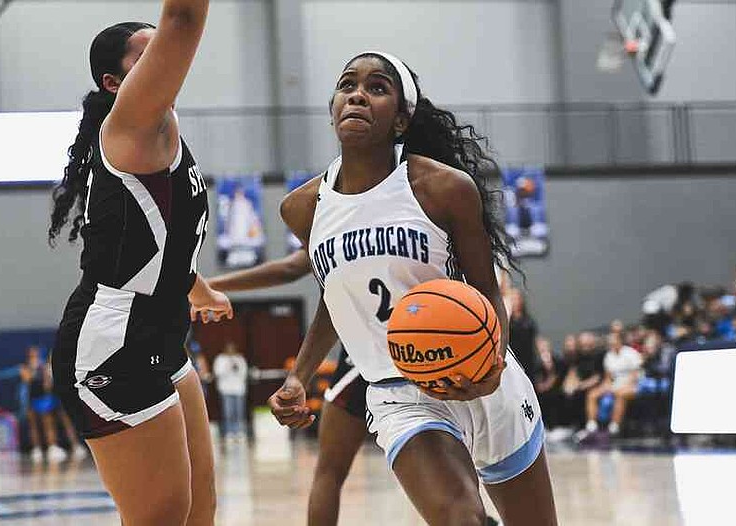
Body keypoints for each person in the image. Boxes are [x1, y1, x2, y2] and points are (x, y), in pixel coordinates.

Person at [265, 51, 557, 525]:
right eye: (347, 85)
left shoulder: (442, 187)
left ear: (401, 119)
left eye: (377, 87)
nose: (357, 94)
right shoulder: (302, 208)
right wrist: (299, 374)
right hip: (399, 393)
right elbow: (335, 298)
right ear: (334, 106)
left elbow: (485, 291)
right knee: (460, 518)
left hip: (482, 380)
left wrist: (494, 361)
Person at [47, 3, 233, 524]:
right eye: (146, 54)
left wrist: (197, 288)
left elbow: (142, 241)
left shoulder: (160, 129)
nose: (164, 58)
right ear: (113, 83)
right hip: (113, 342)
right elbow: (183, 20)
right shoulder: (130, 122)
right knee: (161, 519)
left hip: (162, 333)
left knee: (200, 511)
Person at [208, 250, 502, 525]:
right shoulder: (412, 208)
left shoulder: (335, 212)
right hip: (422, 356)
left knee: (330, 471)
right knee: (449, 464)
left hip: (378, 359)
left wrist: (209, 286)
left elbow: (293, 267)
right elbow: (298, 270)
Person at [578, 333, 642, 440]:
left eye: (613, 341)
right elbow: (608, 377)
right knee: (592, 394)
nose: (611, 344)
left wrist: (622, 386)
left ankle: (614, 427)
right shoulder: (609, 356)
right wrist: (606, 387)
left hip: (633, 385)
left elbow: (635, 375)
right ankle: (592, 426)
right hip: (614, 385)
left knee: (620, 394)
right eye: (610, 342)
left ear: (619, 341)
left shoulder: (631, 353)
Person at [212, 343, 249, 442]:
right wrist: (228, 366)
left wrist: (236, 366)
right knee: (228, 413)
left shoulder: (239, 358)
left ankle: (239, 432)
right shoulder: (220, 359)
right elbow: (217, 373)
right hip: (226, 389)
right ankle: (229, 432)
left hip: (239, 390)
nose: (230, 350)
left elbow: (244, 373)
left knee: (239, 412)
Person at [507, 288, 538, 374]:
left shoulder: (528, 322)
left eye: (515, 299)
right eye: (511, 299)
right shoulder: (508, 321)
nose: (513, 302)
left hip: (525, 361)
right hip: (511, 362)